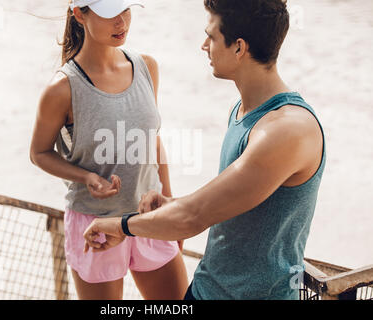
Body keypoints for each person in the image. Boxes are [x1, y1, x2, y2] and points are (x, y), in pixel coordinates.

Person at [83, 0, 326, 300]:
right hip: (204, 291)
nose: (203, 45)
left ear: (239, 48)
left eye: (211, 37)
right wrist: (173, 202)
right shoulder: (242, 111)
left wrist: (121, 226)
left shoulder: (286, 131)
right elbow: (229, 204)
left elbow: (193, 218)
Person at [30, 0, 188, 300]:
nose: (121, 22)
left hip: (150, 218)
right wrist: (85, 177)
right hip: (95, 226)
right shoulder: (62, 88)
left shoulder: (147, 67)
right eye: (109, 13)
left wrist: (171, 206)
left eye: (125, 9)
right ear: (79, 14)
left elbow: (153, 141)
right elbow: (39, 153)